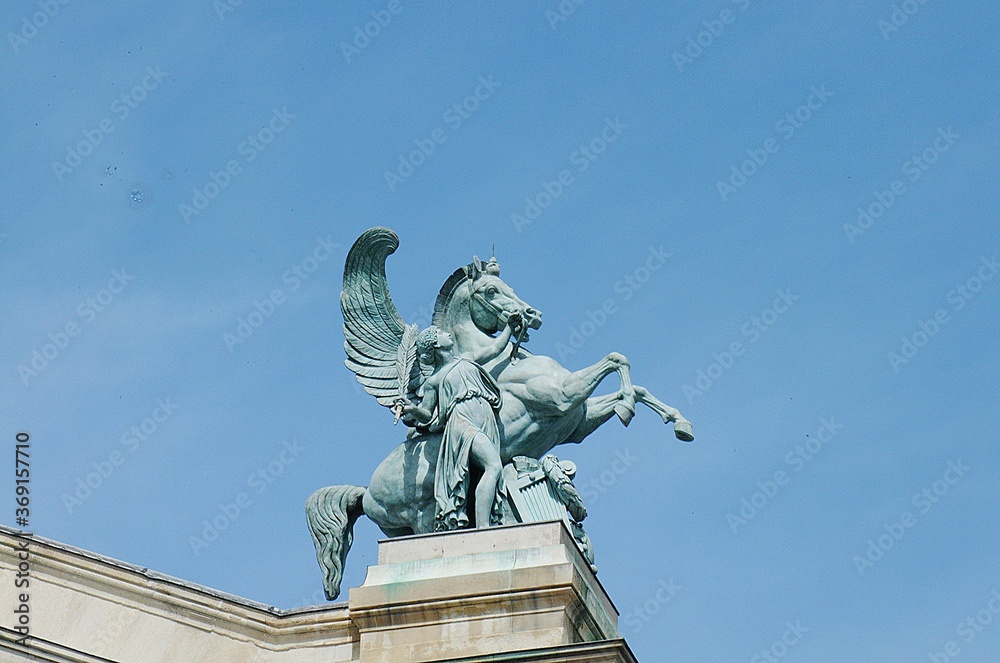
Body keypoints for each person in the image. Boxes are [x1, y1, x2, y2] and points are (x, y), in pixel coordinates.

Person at [401, 314, 521, 530]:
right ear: (435, 345)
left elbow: (494, 349)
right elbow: (427, 414)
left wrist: (509, 329)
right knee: (493, 466)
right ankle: (483, 527)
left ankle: (481, 521)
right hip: (462, 421)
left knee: (487, 470)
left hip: (485, 419)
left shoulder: (467, 359)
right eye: (440, 333)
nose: (447, 333)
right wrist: (412, 409)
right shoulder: (434, 380)